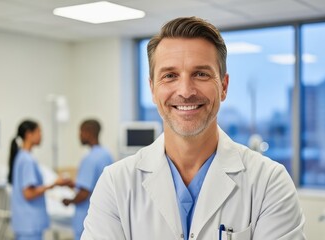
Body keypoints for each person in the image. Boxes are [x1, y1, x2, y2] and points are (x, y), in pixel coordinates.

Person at [82, 17, 306, 240]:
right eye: (170, 76)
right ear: (152, 88)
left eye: (201, 74)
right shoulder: (115, 183)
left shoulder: (269, 183)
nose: (186, 91)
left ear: (224, 87)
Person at [8, 120, 71, 240]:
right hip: (29, 224)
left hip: (24, 223)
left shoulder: (21, 156)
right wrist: (54, 184)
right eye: (39, 131)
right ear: (28, 134)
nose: (41, 135)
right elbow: (28, 193)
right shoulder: (27, 160)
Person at [62, 119, 114, 240]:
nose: (79, 135)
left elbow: (84, 193)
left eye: (81, 131)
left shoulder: (89, 159)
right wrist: (75, 185)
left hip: (86, 217)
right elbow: (96, 184)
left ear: (89, 132)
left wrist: (69, 201)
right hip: (103, 219)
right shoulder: (106, 154)